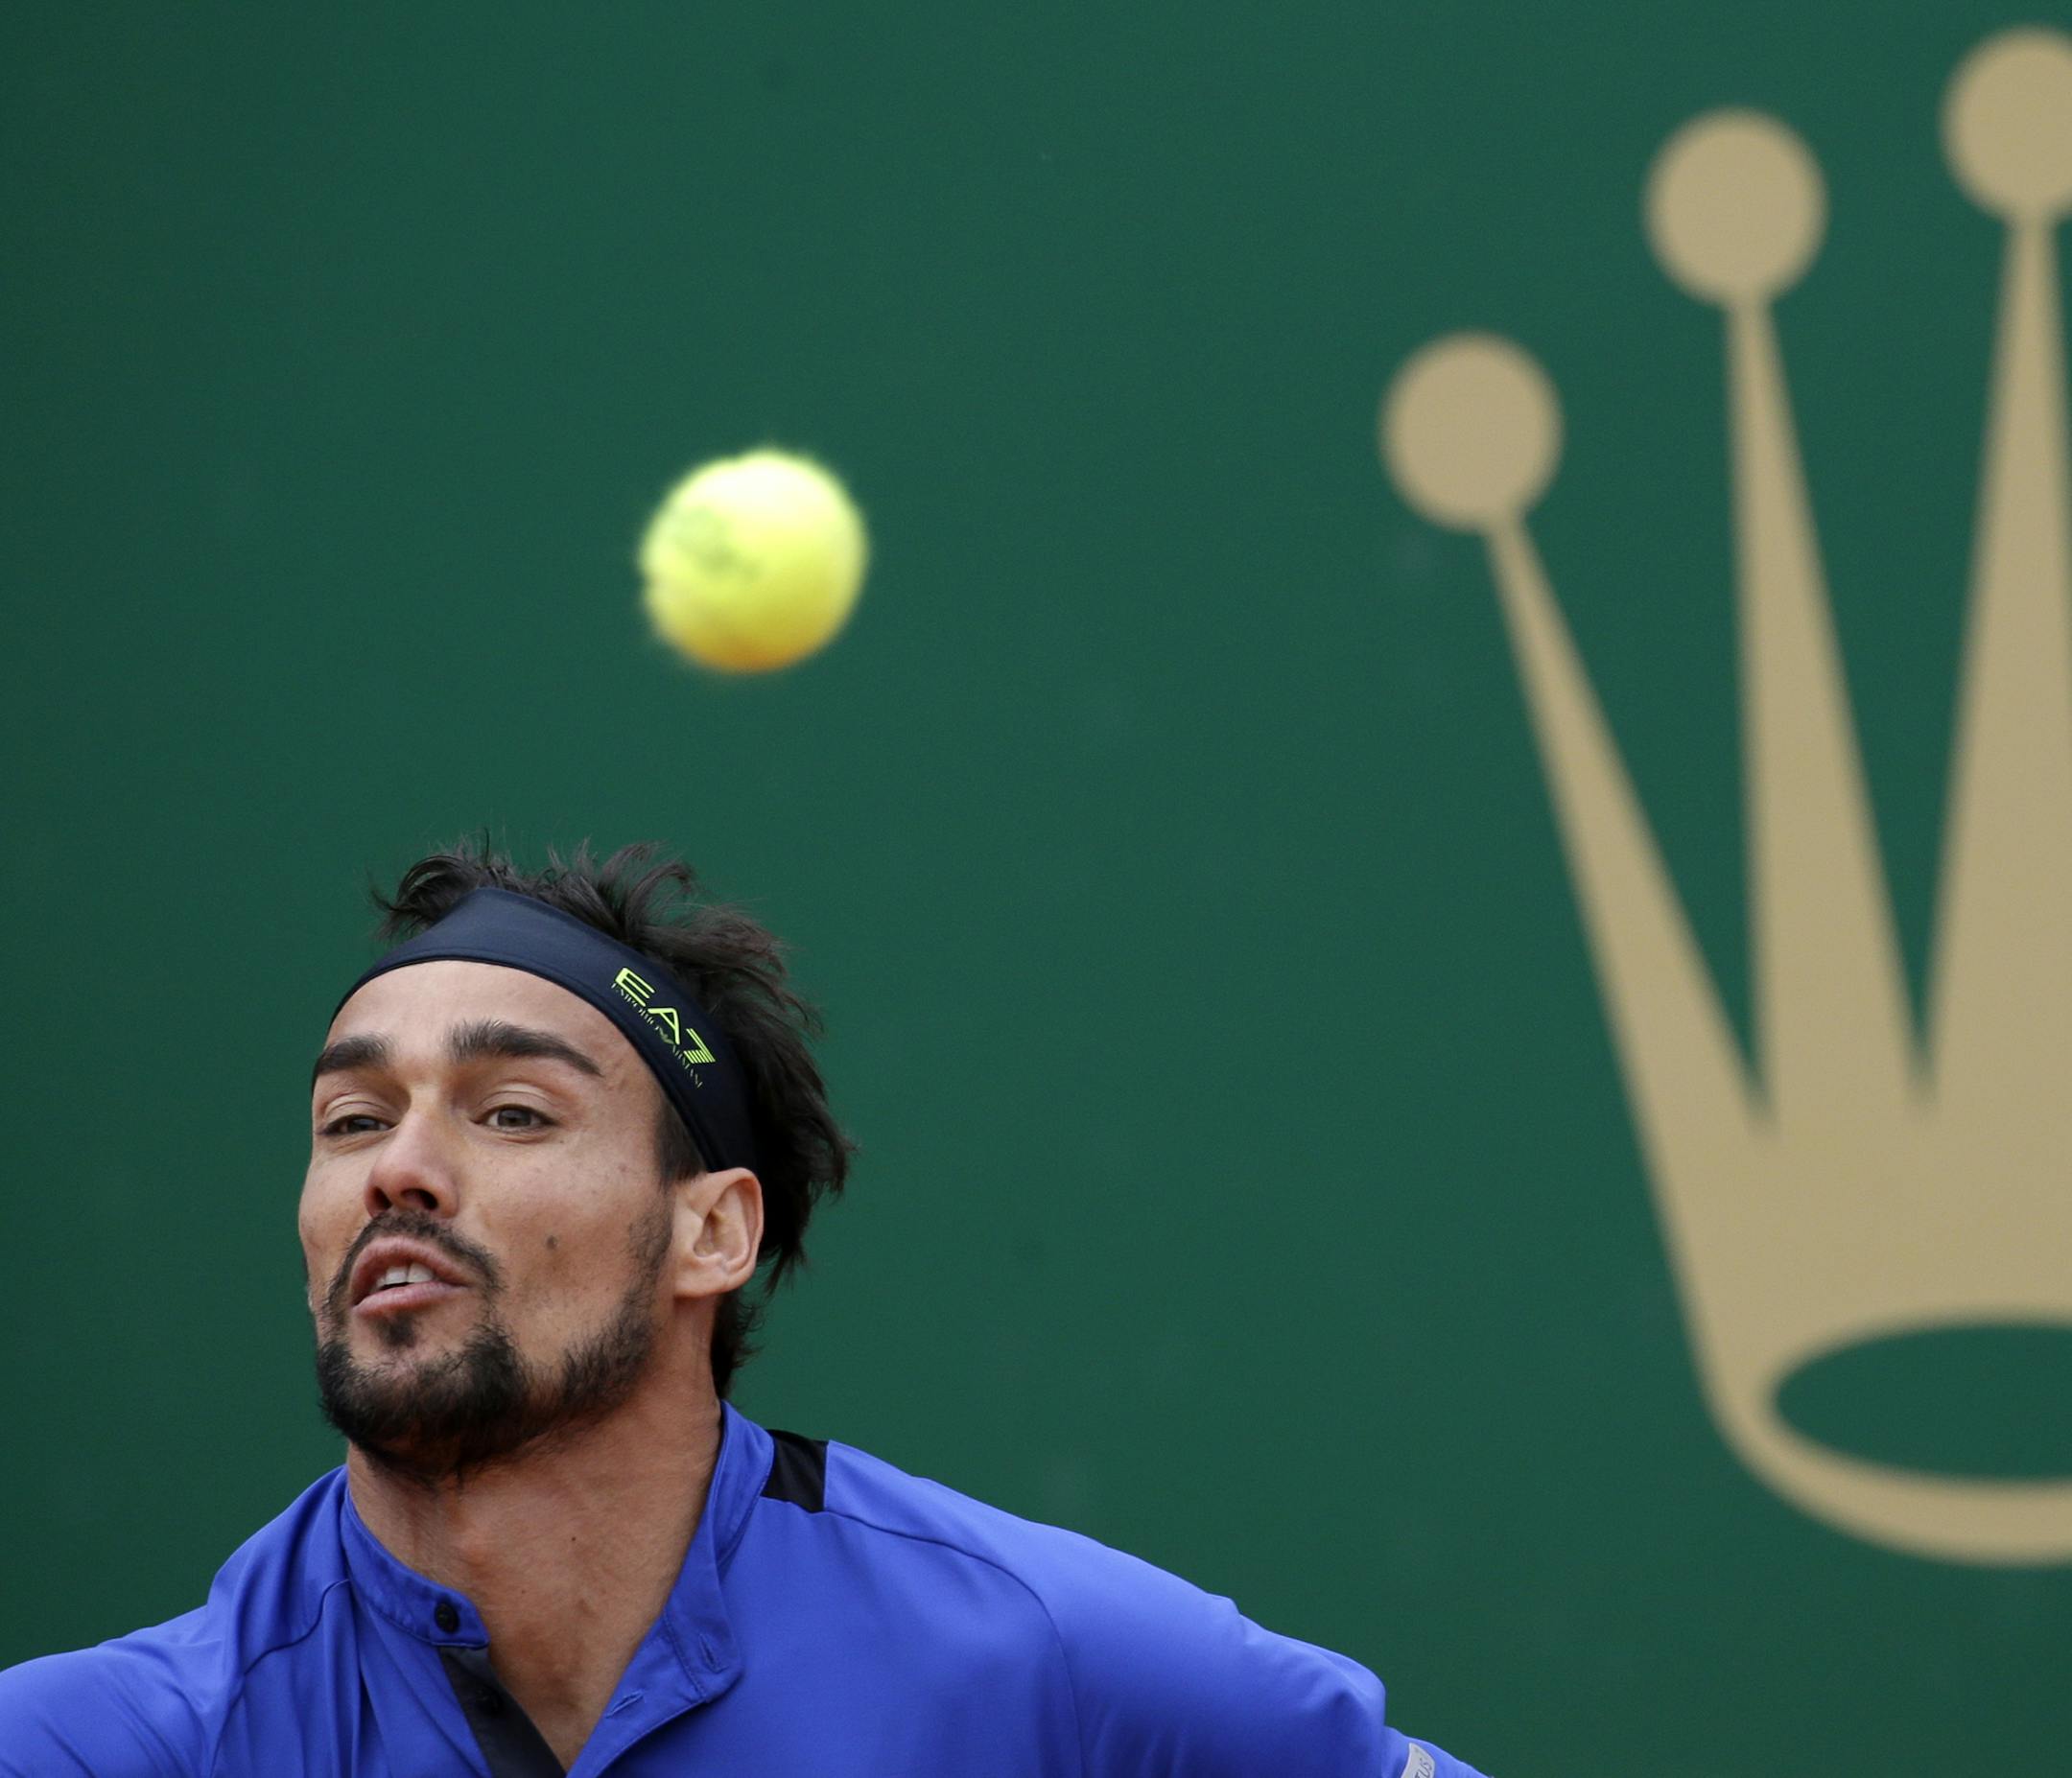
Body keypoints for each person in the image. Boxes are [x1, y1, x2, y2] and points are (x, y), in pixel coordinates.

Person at [0, 841, 1486, 1777]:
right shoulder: (100, 1742)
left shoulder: (1052, 1662)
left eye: (511, 1112)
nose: (401, 1169)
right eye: (349, 1119)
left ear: (711, 1228)